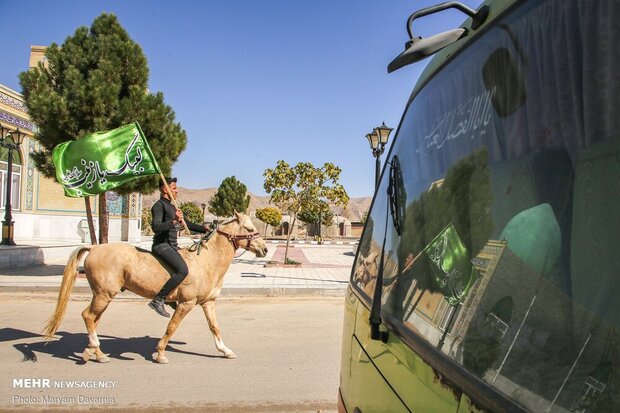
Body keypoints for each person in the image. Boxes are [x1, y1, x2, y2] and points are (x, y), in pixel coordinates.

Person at [149, 177, 207, 317]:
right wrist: (173, 221)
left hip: (173, 246)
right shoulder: (159, 206)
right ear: (165, 189)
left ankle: (170, 296)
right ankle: (158, 300)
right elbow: (156, 227)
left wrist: (205, 229)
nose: (177, 191)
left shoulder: (173, 206)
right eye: (174, 188)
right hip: (162, 245)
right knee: (182, 270)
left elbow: (188, 224)